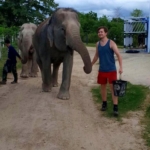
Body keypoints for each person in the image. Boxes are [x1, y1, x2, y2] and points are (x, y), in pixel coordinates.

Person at [91, 26, 123, 116]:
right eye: (99, 32)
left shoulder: (111, 43)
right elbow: (96, 56)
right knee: (103, 88)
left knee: (113, 88)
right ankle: (104, 104)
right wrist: (91, 64)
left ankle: (115, 107)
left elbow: (119, 55)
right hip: (102, 70)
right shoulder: (97, 44)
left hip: (111, 70)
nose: (100, 33)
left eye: (101, 32)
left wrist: (121, 67)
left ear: (106, 33)